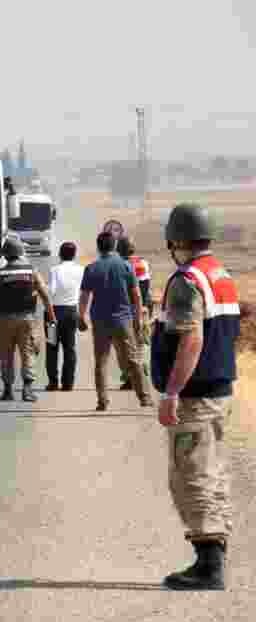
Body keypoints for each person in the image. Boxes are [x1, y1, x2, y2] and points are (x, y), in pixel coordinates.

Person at [151, 203, 239, 590]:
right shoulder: (220, 274)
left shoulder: (187, 280)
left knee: (191, 475)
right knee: (211, 471)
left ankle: (208, 565)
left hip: (195, 396)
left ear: (176, 240)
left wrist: (172, 392)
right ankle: (213, 552)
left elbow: (192, 337)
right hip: (218, 390)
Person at [78, 231, 153, 411]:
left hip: (100, 321)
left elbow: (84, 297)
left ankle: (102, 401)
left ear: (99, 247)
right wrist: (138, 320)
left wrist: (81, 317)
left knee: (101, 362)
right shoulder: (126, 266)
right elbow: (136, 296)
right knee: (133, 359)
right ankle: (144, 397)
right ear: (114, 246)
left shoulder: (91, 268)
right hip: (123, 320)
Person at [0, 236, 56, 402]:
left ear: (5, 254)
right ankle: (27, 389)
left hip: (5, 320)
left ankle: (7, 391)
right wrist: (52, 317)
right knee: (27, 352)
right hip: (27, 319)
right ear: (21, 252)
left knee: (6, 354)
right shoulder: (31, 271)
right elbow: (45, 296)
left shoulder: (1, 273)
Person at [46, 241, 85, 391]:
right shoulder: (80, 270)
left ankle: (53, 382)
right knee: (70, 348)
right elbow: (83, 291)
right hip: (71, 312)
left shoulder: (54, 270)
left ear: (60, 254)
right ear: (74, 255)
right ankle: (68, 383)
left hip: (53, 313)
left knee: (52, 348)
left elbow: (52, 290)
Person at [115, 236, 153, 390]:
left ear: (119, 249)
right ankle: (140, 374)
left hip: (125, 310)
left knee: (125, 346)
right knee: (140, 343)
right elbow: (145, 287)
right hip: (142, 308)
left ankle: (131, 376)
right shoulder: (142, 263)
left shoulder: (118, 264)